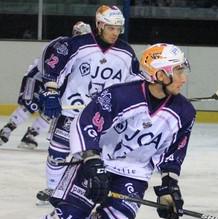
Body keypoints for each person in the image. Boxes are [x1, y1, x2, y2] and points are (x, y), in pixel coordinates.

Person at [2, 43, 195, 219]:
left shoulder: (185, 112)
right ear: (159, 73)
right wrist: (92, 160)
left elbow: (175, 151)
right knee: (70, 213)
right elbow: (86, 124)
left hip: (134, 172)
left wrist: (168, 188)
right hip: (99, 160)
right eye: (178, 71)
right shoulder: (119, 95)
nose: (183, 78)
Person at [35, 5, 142, 205]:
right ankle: (53, 188)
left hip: (104, 116)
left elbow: (134, 80)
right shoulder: (77, 45)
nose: (115, 33)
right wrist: (51, 91)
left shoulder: (126, 52)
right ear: (99, 25)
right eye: (111, 28)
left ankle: (88, 191)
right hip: (73, 110)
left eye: (118, 28)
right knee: (58, 152)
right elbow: (54, 67)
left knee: (97, 157)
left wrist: (149, 95)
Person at [0, 21, 92, 150]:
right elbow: (46, 62)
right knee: (31, 104)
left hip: (56, 83)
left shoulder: (84, 53)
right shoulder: (62, 45)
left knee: (51, 111)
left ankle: (30, 136)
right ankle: (8, 129)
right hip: (38, 77)